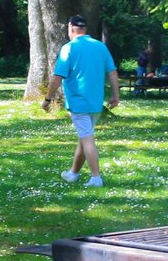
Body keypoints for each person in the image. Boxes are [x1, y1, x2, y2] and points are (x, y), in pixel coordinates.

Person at [41, 15, 121, 187]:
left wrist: (47, 99)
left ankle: (96, 178)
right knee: (84, 137)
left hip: (79, 103)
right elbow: (112, 72)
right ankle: (73, 173)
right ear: (85, 29)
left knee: (87, 139)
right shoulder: (100, 46)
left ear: (70, 28)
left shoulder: (68, 48)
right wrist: (116, 95)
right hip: (96, 103)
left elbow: (57, 77)